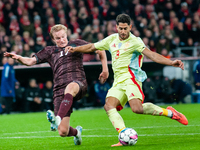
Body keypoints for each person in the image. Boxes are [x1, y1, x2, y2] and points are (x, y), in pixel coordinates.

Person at [66, 14, 188, 147]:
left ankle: (170, 113)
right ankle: (123, 134)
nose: (123, 32)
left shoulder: (135, 41)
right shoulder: (111, 39)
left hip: (131, 78)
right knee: (108, 106)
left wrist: (171, 62)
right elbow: (92, 47)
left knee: (137, 109)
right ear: (116, 27)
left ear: (130, 27)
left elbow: (152, 55)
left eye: (125, 28)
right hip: (118, 81)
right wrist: (75, 49)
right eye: (120, 28)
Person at [4, 24, 108, 145]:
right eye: (58, 38)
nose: (61, 40)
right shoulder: (49, 51)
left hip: (78, 83)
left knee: (70, 87)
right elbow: (31, 61)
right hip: (59, 89)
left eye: (63, 36)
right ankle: (76, 133)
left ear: (67, 34)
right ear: (53, 39)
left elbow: (100, 49)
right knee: (63, 131)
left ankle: (56, 118)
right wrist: (18, 57)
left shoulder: (77, 44)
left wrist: (105, 69)